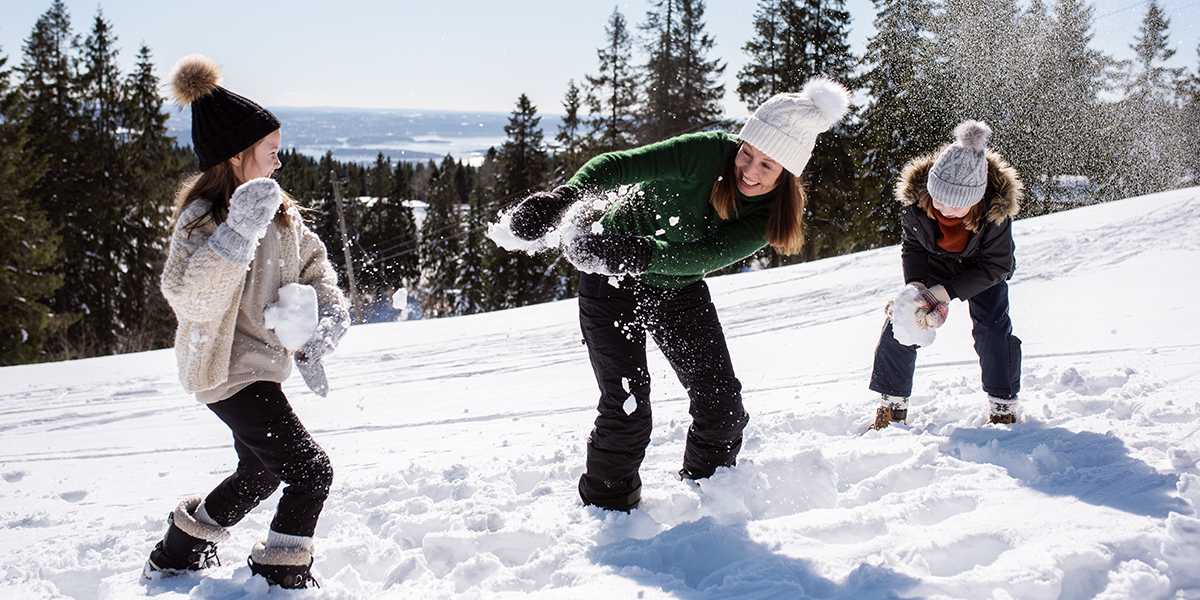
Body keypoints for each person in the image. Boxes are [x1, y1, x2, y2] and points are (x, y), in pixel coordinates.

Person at [506, 78, 850, 511]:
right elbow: (620, 165)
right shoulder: (706, 152)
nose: (750, 171)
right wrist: (564, 199)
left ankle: (708, 499)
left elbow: (699, 257)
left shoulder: (772, 218)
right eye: (747, 153)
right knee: (628, 409)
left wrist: (640, 252)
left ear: (787, 174)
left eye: (768, 165)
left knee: (722, 408)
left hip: (674, 284)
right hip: (609, 279)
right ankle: (609, 513)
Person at [143, 54, 349, 589]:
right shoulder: (202, 219)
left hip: (263, 366)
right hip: (225, 372)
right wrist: (237, 233)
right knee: (311, 472)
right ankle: (284, 573)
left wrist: (327, 317)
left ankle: (177, 551)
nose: (280, 163)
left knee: (258, 473)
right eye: (271, 152)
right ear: (238, 157)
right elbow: (190, 298)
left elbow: (316, 265)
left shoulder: (283, 212)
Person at [869, 120, 1024, 429]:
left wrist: (944, 293)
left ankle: (1003, 402)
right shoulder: (916, 206)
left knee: (992, 328)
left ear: (977, 199)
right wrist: (916, 286)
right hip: (935, 264)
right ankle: (891, 403)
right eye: (940, 199)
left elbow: (998, 265)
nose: (946, 210)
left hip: (982, 272)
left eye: (958, 205)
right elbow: (912, 247)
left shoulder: (994, 215)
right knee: (902, 319)